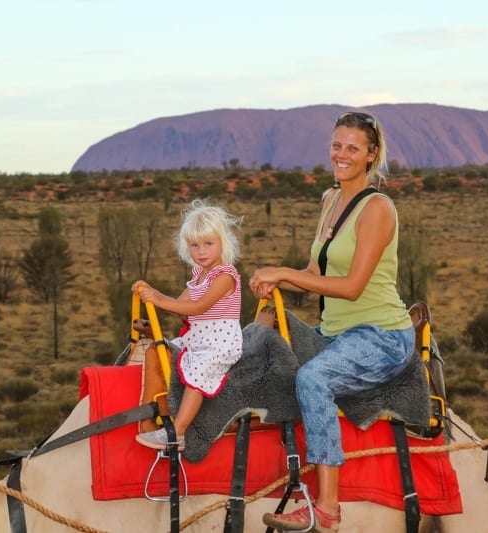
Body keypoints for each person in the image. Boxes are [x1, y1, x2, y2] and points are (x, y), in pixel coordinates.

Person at [250, 111, 414, 533]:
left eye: (352, 148)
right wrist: (277, 293)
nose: (341, 154)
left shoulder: (378, 208)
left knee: (312, 380)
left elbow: (354, 286)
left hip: (381, 337)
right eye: (337, 145)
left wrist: (283, 272)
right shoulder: (330, 200)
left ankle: (326, 508)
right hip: (338, 332)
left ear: (371, 155)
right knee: (265, 349)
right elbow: (315, 274)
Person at [132, 199, 243, 450]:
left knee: (198, 370)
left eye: (208, 244)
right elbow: (177, 303)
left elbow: (197, 307)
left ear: (223, 243)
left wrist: (158, 299)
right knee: (167, 350)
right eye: (194, 245)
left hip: (219, 343)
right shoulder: (199, 274)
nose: (201, 251)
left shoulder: (225, 276)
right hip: (199, 337)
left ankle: (178, 432)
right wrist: (152, 293)